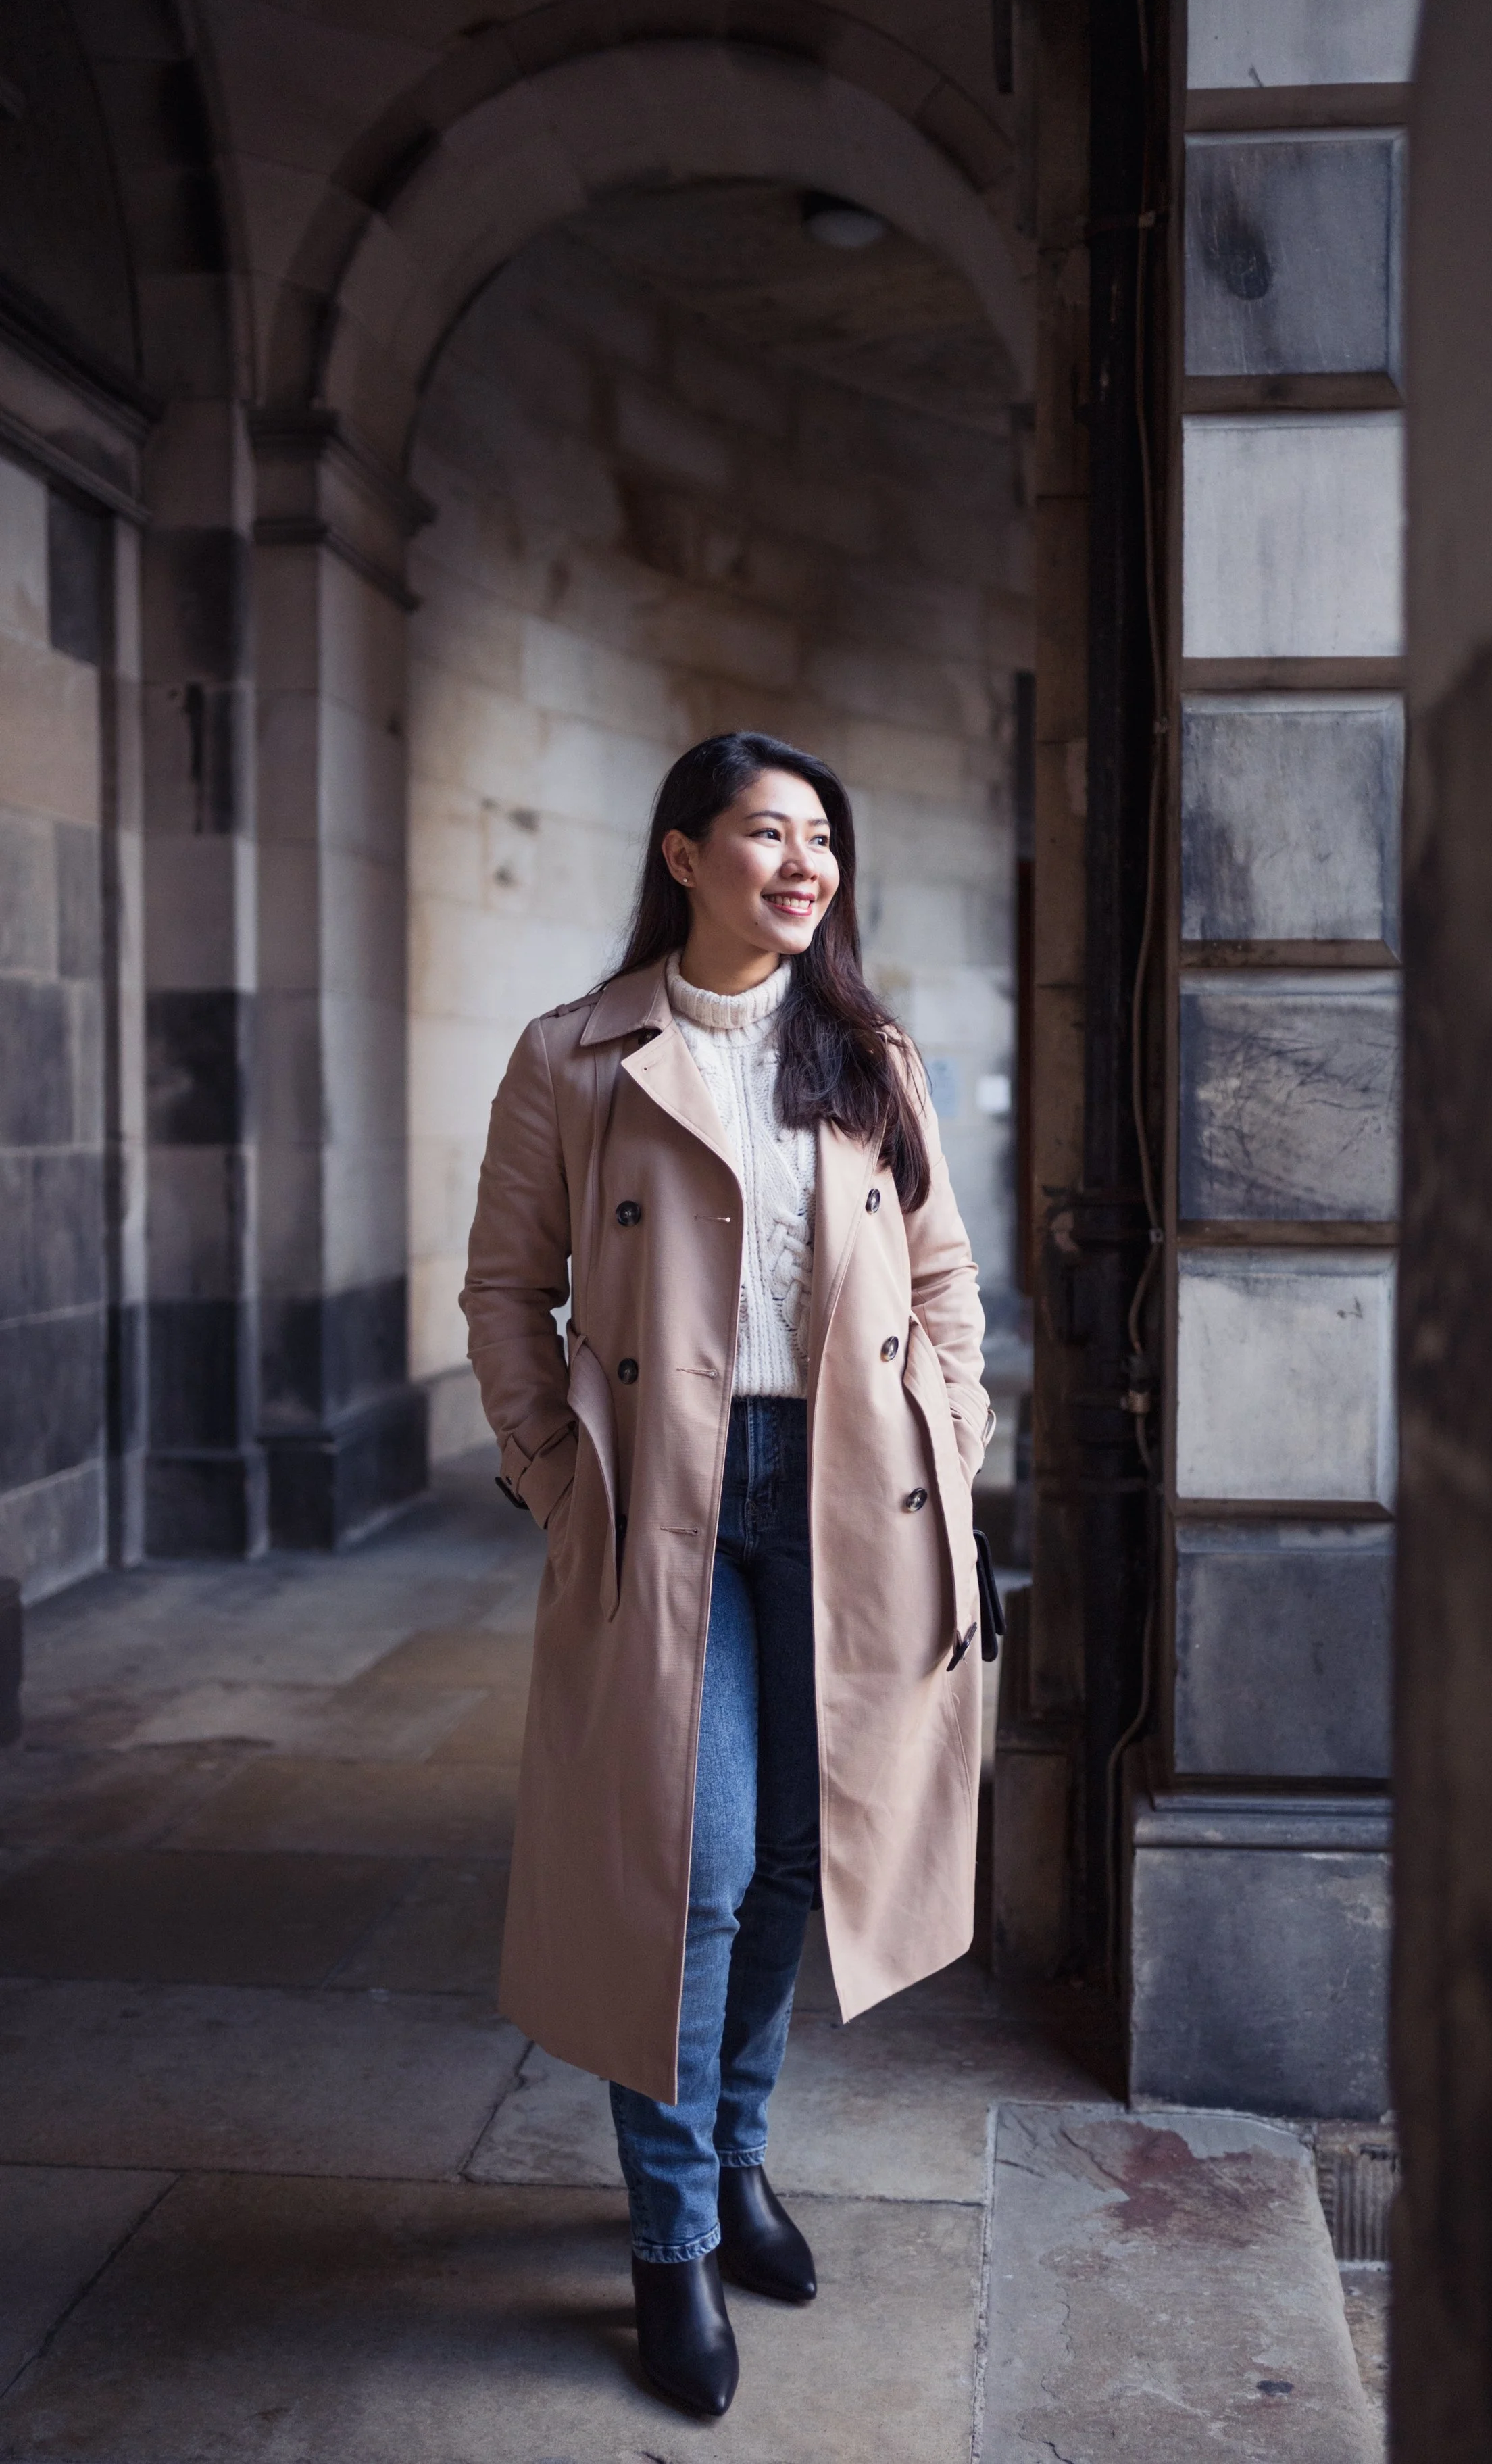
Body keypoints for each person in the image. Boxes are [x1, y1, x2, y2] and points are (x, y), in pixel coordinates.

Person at [461, 731, 993, 2417]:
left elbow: (944, 1277)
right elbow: (499, 1292)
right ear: (682, 854)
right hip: (662, 1503)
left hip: (844, 1500)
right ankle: (670, 2239)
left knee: (788, 1866)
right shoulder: (575, 1057)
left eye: (822, 839)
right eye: (767, 833)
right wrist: (558, 1480)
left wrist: (948, 1443)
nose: (803, 863)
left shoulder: (865, 1053)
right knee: (677, 1878)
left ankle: (741, 2159)